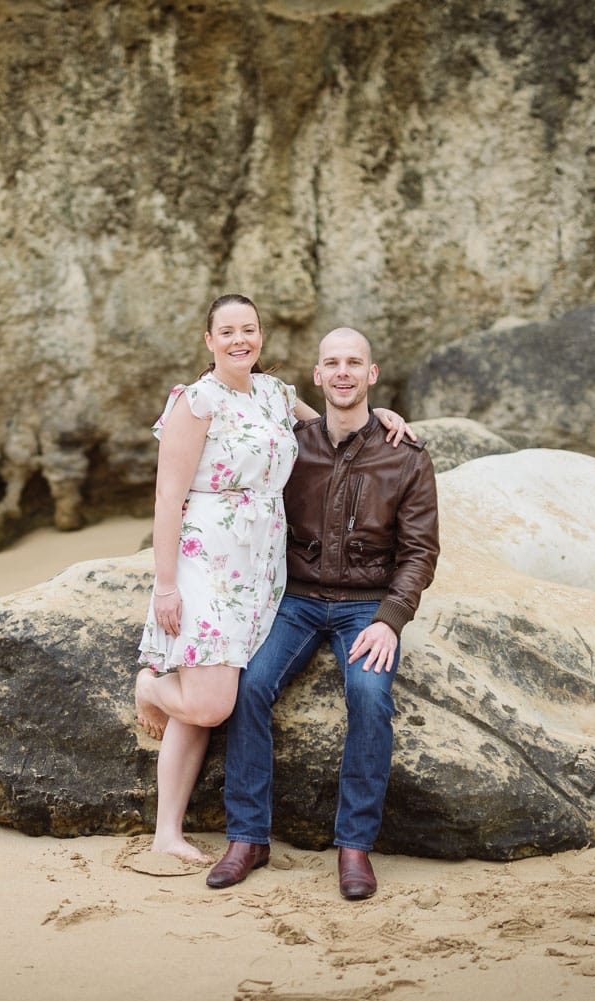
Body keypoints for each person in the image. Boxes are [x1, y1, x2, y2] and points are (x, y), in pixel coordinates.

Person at [134, 299, 413, 864]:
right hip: (207, 561)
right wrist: (166, 585)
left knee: (213, 686)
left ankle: (169, 829)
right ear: (208, 340)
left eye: (249, 330)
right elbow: (167, 498)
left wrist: (382, 417)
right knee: (211, 703)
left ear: (260, 336)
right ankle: (149, 687)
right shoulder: (196, 401)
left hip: (262, 572)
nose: (240, 340)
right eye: (227, 332)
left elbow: (332, 423)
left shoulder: (275, 394)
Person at [205, 326, 440, 898]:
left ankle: (354, 847)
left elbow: (420, 551)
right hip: (296, 600)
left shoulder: (405, 455)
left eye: (353, 363)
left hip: (365, 606)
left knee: (367, 693)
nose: (342, 372)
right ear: (317, 375)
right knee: (251, 686)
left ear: (371, 374)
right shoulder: (291, 442)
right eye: (331, 363)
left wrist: (391, 617)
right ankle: (248, 838)